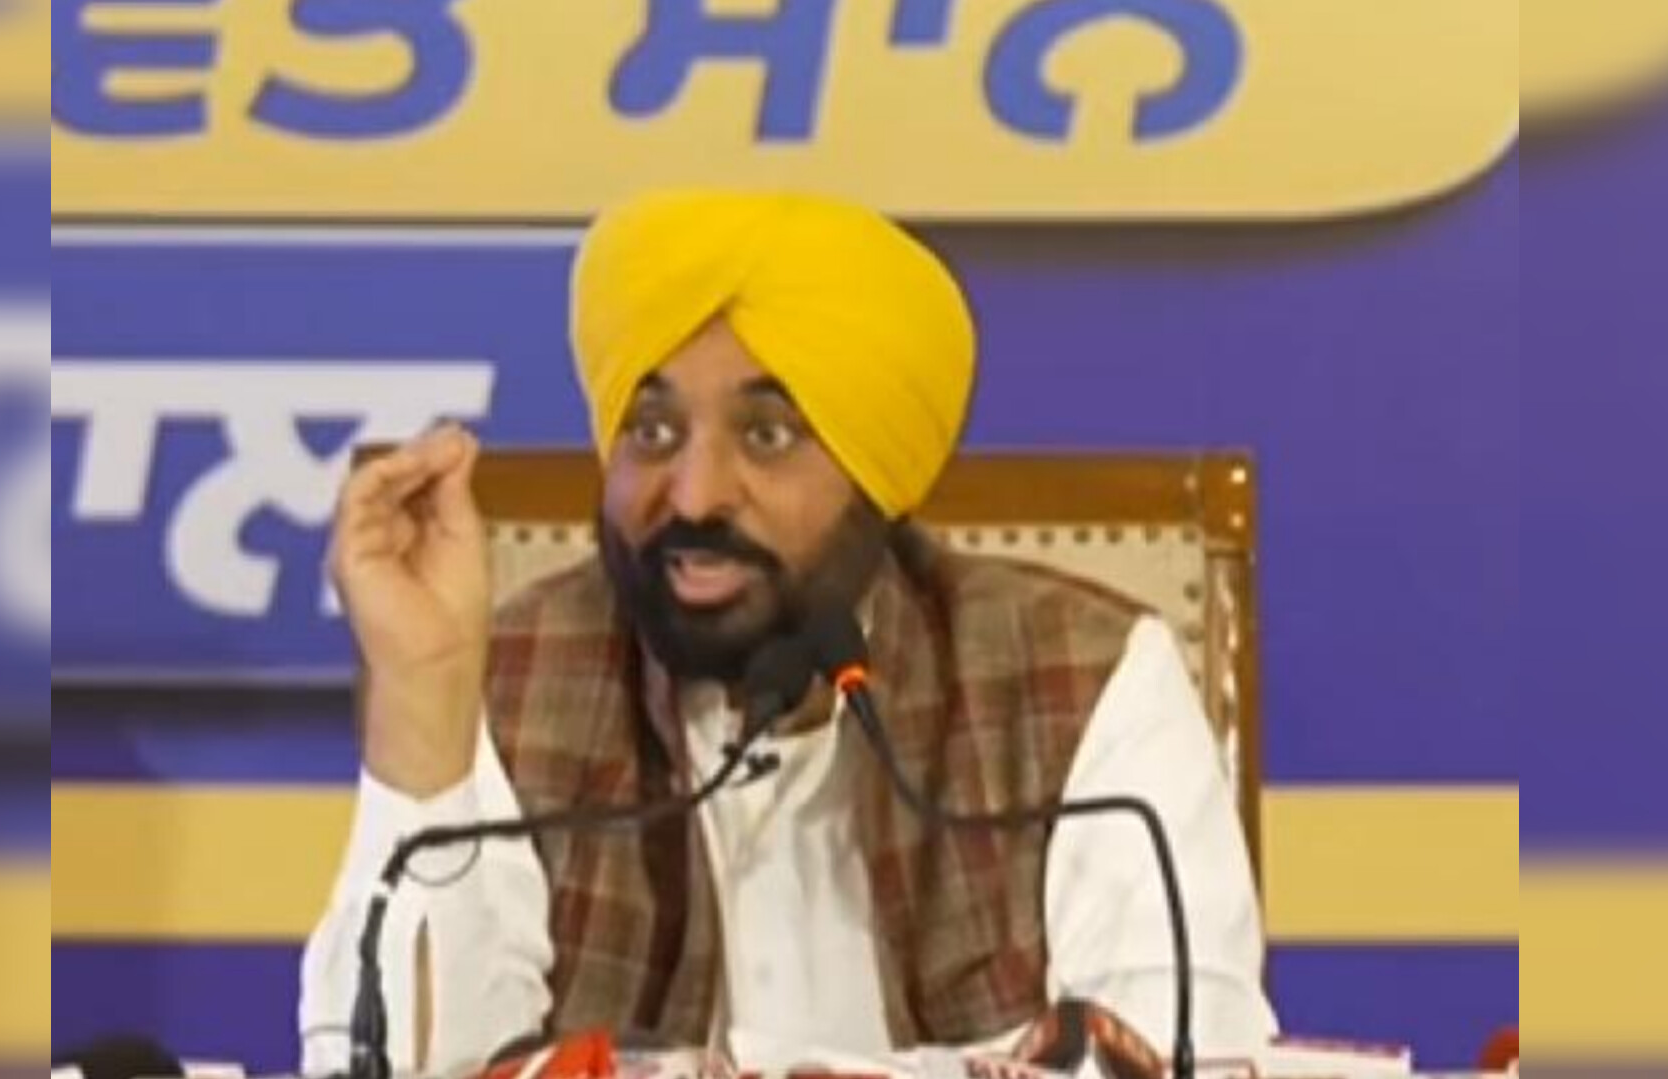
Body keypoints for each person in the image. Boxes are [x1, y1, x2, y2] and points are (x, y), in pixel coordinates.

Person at [300, 190, 1276, 1075]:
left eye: (767, 436)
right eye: (652, 431)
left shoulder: (1082, 677)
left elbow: (1178, 1053)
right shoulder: (510, 672)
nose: (695, 495)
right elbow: (390, 1069)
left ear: (872, 476)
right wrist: (425, 697)